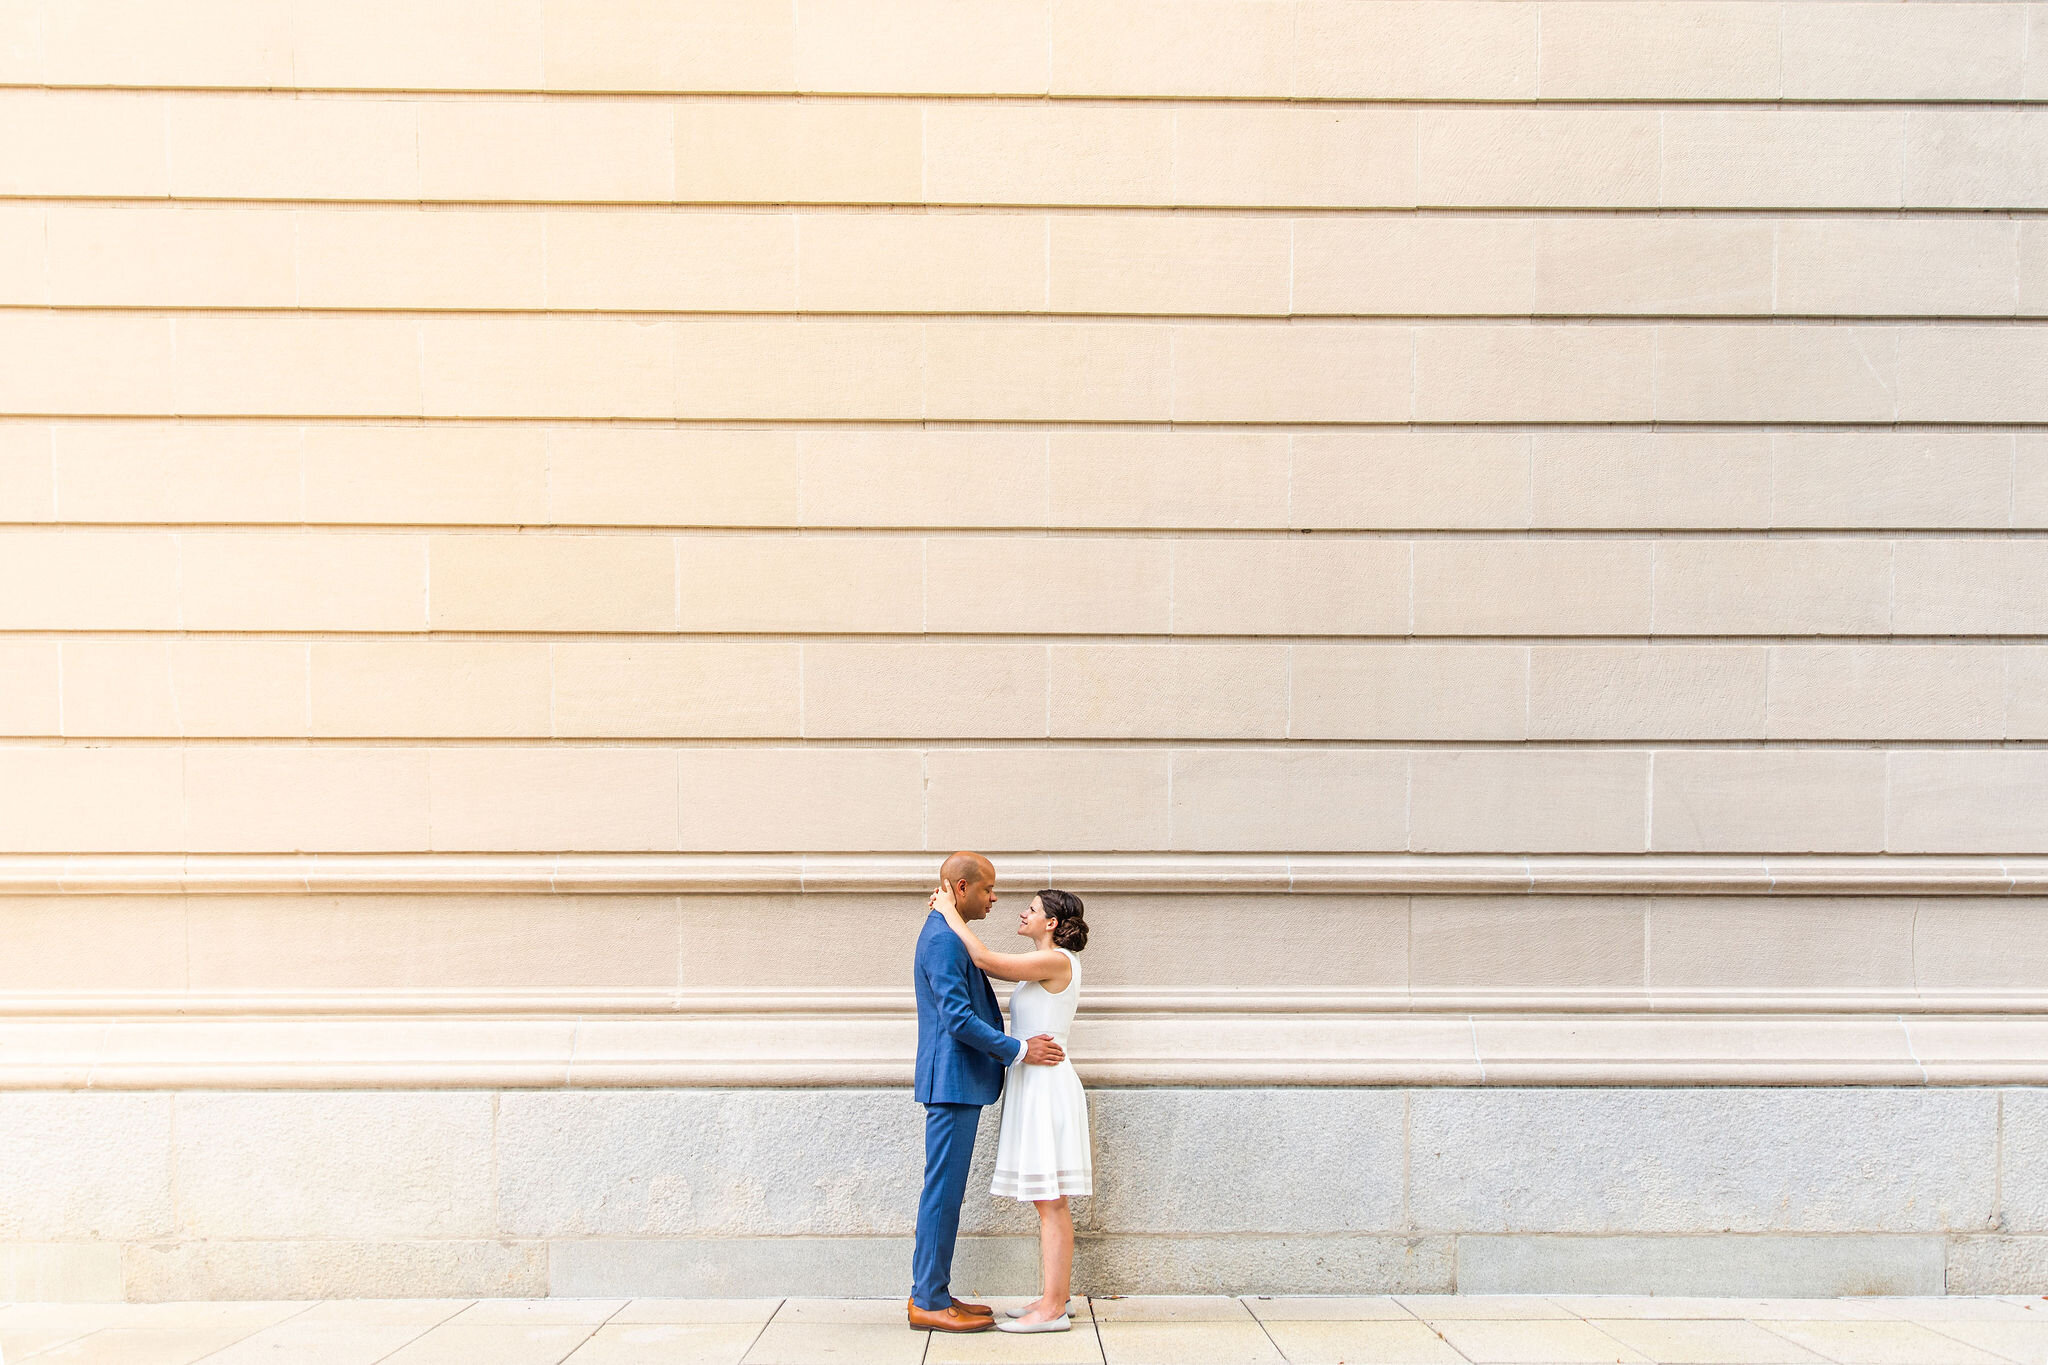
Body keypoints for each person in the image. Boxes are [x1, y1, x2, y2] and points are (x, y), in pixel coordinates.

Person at [908, 852, 1066, 1334]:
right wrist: (1018, 1050)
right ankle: (927, 1300)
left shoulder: (949, 932)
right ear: (961, 888)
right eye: (987, 889)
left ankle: (934, 1290)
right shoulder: (941, 939)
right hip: (951, 1082)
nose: (995, 897)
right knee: (942, 1192)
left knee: (947, 1192)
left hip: (959, 1081)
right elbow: (957, 1019)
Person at [931, 878, 1092, 1334]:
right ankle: (1050, 1297)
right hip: (1035, 1080)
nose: (1022, 913)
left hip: (1047, 1086)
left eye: (1032, 909)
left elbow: (984, 960)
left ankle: (1054, 1309)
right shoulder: (1052, 960)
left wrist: (949, 913)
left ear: (1052, 923)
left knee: (1051, 1201)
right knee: (1048, 1200)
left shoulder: (1054, 959)